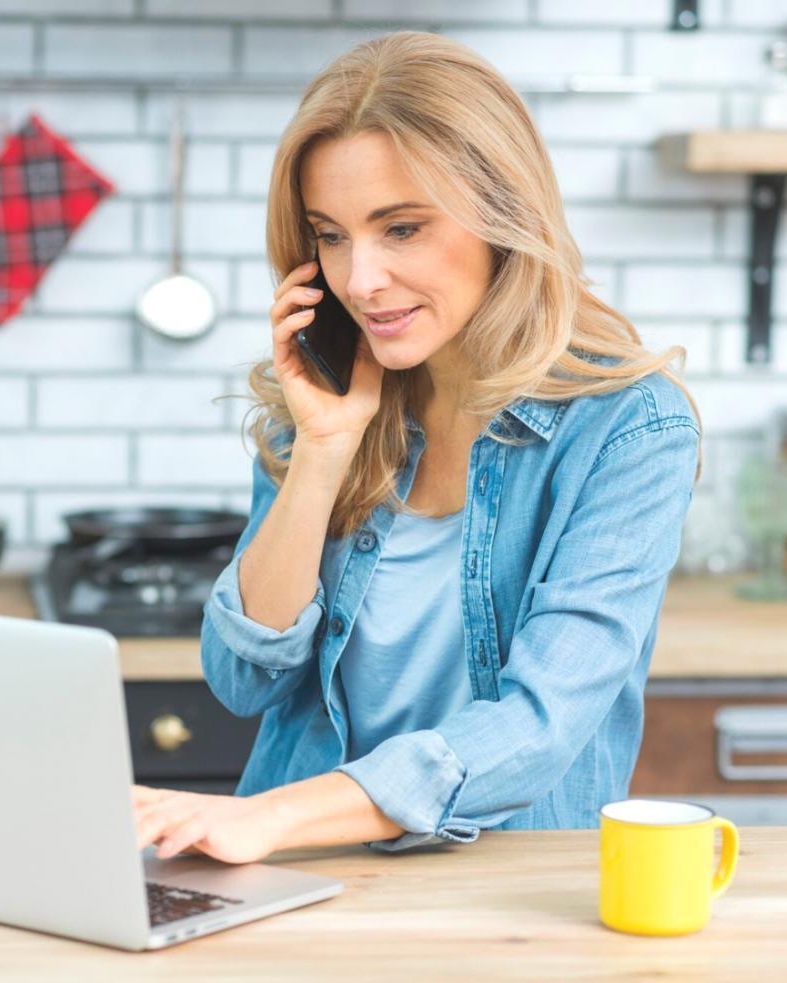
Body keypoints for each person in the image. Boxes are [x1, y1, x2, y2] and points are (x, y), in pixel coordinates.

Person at [133, 31, 701, 864]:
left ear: (502, 215)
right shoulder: (327, 400)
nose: (358, 280)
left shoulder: (628, 428)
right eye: (330, 236)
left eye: (400, 228)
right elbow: (242, 678)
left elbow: (541, 722)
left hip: (501, 883)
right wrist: (321, 450)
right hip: (301, 871)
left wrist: (274, 817)